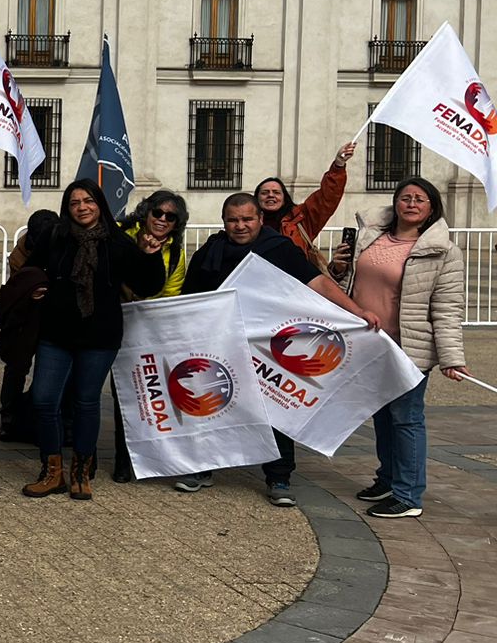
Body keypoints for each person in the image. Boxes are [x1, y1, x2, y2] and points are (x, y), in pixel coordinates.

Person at [175, 191, 381, 504]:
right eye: (233, 220)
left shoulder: (279, 248)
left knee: (276, 409)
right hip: (220, 343)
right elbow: (190, 300)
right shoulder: (209, 252)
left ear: (260, 219)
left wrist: (355, 311)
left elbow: (318, 283)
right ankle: (203, 467)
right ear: (224, 222)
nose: (240, 226)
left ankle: (279, 477)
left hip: (268, 348)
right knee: (212, 405)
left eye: (247, 219)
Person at [22, 180, 166, 502]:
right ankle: (51, 470)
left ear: (99, 204)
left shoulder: (117, 243)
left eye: (88, 201)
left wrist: (149, 254)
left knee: (86, 402)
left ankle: (81, 472)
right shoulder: (56, 236)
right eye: (75, 203)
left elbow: (147, 284)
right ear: (67, 207)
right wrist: (35, 288)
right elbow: (30, 267)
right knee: (44, 399)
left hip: (99, 336)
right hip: (56, 333)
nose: (82, 207)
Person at [330, 178, 466, 519]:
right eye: (405, 197)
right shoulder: (370, 236)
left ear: (431, 208)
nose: (411, 203)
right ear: (395, 203)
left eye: (420, 199)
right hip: (369, 344)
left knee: (406, 418)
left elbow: (447, 308)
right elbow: (345, 286)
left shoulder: (444, 251)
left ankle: (408, 495)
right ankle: (388, 479)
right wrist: (338, 268)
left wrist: (451, 358)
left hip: (408, 347)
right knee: (382, 417)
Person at [108, 190, 190, 481]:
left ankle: (131, 458)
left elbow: (171, 293)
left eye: (171, 217)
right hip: (108, 322)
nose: (163, 220)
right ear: (146, 212)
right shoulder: (119, 234)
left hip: (143, 328)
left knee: (136, 393)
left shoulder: (176, 253)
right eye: (159, 213)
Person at [0, 209, 59, 444]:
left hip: (51, 319)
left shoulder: (59, 248)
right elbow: (21, 285)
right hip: (25, 321)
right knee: (16, 368)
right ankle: (9, 417)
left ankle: (38, 416)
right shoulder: (20, 254)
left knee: (48, 369)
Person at [255, 142, 354, 270]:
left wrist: (338, 165)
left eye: (276, 192)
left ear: (284, 198)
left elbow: (326, 198)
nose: (271, 195)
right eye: (264, 193)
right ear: (256, 199)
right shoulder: (247, 223)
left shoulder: (300, 219)